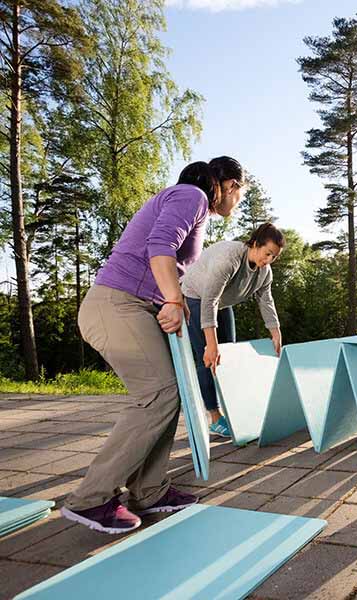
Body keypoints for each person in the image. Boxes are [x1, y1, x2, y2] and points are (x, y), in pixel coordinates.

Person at [61, 157, 244, 534]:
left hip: (135, 307)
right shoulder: (191, 195)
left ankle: (149, 491)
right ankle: (91, 498)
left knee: (168, 394)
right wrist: (175, 301)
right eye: (241, 190)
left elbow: (165, 261)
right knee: (158, 393)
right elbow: (159, 248)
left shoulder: (193, 205)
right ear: (227, 184)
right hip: (116, 304)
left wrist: (171, 303)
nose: (239, 198)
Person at [180, 223, 285, 437]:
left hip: (222, 303)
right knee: (208, 357)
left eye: (273, 257)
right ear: (255, 244)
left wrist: (275, 333)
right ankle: (215, 417)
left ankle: (232, 409)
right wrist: (211, 344)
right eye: (267, 254)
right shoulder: (229, 259)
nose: (269, 260)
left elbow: (266, 301)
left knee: (228, 355)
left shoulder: (265, 272)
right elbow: (209, 301)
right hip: (197, 297)